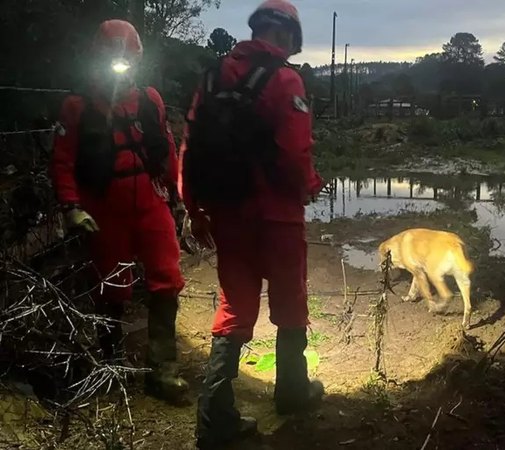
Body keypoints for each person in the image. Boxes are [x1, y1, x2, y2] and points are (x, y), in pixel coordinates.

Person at [179, 0, 324, 447]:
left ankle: (214, 419)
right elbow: (295, 152)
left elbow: (190, 144)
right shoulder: (285, 79)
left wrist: (193, 209)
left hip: (228, 215)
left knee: (234, 308)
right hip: (277, 217)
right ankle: (292, 393)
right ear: (287, 37)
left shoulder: (211, 77)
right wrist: (312, 185)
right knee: (290, 303)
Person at [50, 20, 188, 405]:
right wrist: (71, 207)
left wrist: (177, 198)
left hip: (149, 200)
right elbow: (62, 162)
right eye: (114, 54)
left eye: (128, 55)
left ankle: (163, 369)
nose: (121, 62)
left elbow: (166, 148)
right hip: (103, 208)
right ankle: (110, 365)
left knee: (167, 278)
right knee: (112, 286)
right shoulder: (77, 107)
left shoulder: (150, 100)